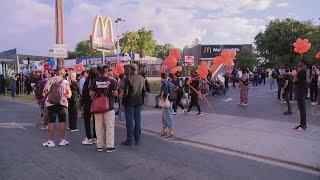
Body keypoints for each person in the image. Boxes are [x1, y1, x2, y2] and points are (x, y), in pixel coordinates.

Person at [42, 68, 72, 148]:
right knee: (62, 122)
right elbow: (69, 94)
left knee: (51, 122)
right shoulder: (65, 82)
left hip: (51, 104)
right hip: (62, 104)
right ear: (61, 72)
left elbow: (44, 93)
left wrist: (50, 95)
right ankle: (62, 140)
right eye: (64, 71)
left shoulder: (50, 80)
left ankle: (51, 141)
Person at [91, 66, 118, 152]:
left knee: (98, 127)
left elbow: (91, 93)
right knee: (109, 126)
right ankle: (110, 146)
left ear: (98, 71)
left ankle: (99, 146)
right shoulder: (112, 81)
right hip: (109, 107)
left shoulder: (94, 81)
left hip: (98, 107)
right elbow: (116, 93)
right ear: (107, 71)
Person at [122, 64, 145, 146]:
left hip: (129, 102)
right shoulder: (141, 78)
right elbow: (143, 91)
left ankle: (130, 139)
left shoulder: (128, 79)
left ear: (130, 69)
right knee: (138, 120)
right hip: (138, 102)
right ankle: (137, 139)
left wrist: (123, 103)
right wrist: (142, 102)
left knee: (129, 121)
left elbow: (126, 93)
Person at [80, 68, 98, 145]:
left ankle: (89, 137)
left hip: (87, 103)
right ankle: (95, 137)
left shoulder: (88, 80)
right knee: (96, 120)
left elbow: (84, 93)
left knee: (87, 120)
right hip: (97, 103)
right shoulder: (98, 80)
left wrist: (81, 103)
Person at [293, 59, 308, 131]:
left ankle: (303, 125)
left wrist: (294, 74)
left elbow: (294, 80)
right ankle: (302, 124)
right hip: (303, 91)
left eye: (299, 62)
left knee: (302, 108)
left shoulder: (301, 71)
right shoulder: (306, 70)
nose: (298, 63)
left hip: (300, 91)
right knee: (302, 108)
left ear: (302, 63)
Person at [159, 73, 174, 138]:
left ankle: (171, 131)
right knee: (165, 116)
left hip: (166, 101)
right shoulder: (170, 83)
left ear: (162, 77)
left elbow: (165, 93)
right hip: (170, 101)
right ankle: (164, 130)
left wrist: (162, 99)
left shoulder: (164, 84)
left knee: (167, 116)